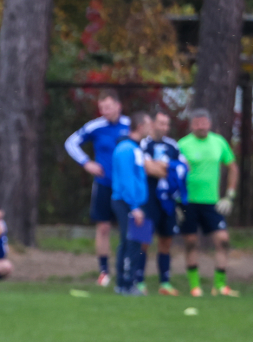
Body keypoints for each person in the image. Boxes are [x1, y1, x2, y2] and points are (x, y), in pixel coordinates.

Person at [64, 90, 131, 287]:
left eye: (108, 107)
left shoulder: (131, 125)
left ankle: (134, 269)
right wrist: (86, 163)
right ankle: (104, 272)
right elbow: (71, 143)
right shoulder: (95, 127)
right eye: (101, 108)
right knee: (103, 227)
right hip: (104, 185)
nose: (105, 111)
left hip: (129, 187)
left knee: (135, 227)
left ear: (118, 106)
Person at [177, 109, 241, 297]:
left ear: (210, 124)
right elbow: (173, 174)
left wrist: (229, 195)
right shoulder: (183, 145)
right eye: (197, 123)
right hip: (187, 202)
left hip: (211, 203)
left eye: (204, 122)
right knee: (190, 242)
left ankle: (219, 286)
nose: (201, 126)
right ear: (191, 125)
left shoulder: (219, 142)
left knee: (222, 240)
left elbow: (233, 168)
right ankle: (195, 286)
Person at [139, 112, 186, 296]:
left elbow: (183, 168)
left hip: (167, 202)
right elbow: (146, 167)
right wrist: (168, 168)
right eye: (161, 124)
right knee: (142, 241)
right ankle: (138, 280)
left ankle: (164, 283)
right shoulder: (144, 143)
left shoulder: (172, 145)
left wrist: (160, 167)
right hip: (146, 200)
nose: (164, 128)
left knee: (166, 241)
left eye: (167, 124)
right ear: (152, 124)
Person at [110, 111, 153, 295]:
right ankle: (124, 284)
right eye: (149, 124)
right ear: (141, 126)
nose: (151, 128)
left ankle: (132, 282)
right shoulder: (126, 149)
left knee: (138, 243)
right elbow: (127, 180)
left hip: (138, 203)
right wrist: (134, 207)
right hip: (128, 203)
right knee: (129, 242)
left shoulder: (136, 148)